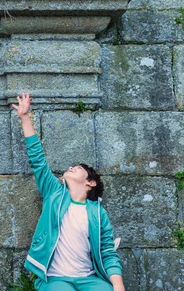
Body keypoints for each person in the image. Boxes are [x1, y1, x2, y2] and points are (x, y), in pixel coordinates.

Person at [11, 92, 125, 291]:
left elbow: (108, 252)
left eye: (78, 168)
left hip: (88, 278)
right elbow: (38, 160)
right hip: (55, 278)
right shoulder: (54, 192)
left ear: (90, 183)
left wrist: (118, 286)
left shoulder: (98, 213)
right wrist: (24, 117)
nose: (72, 167)